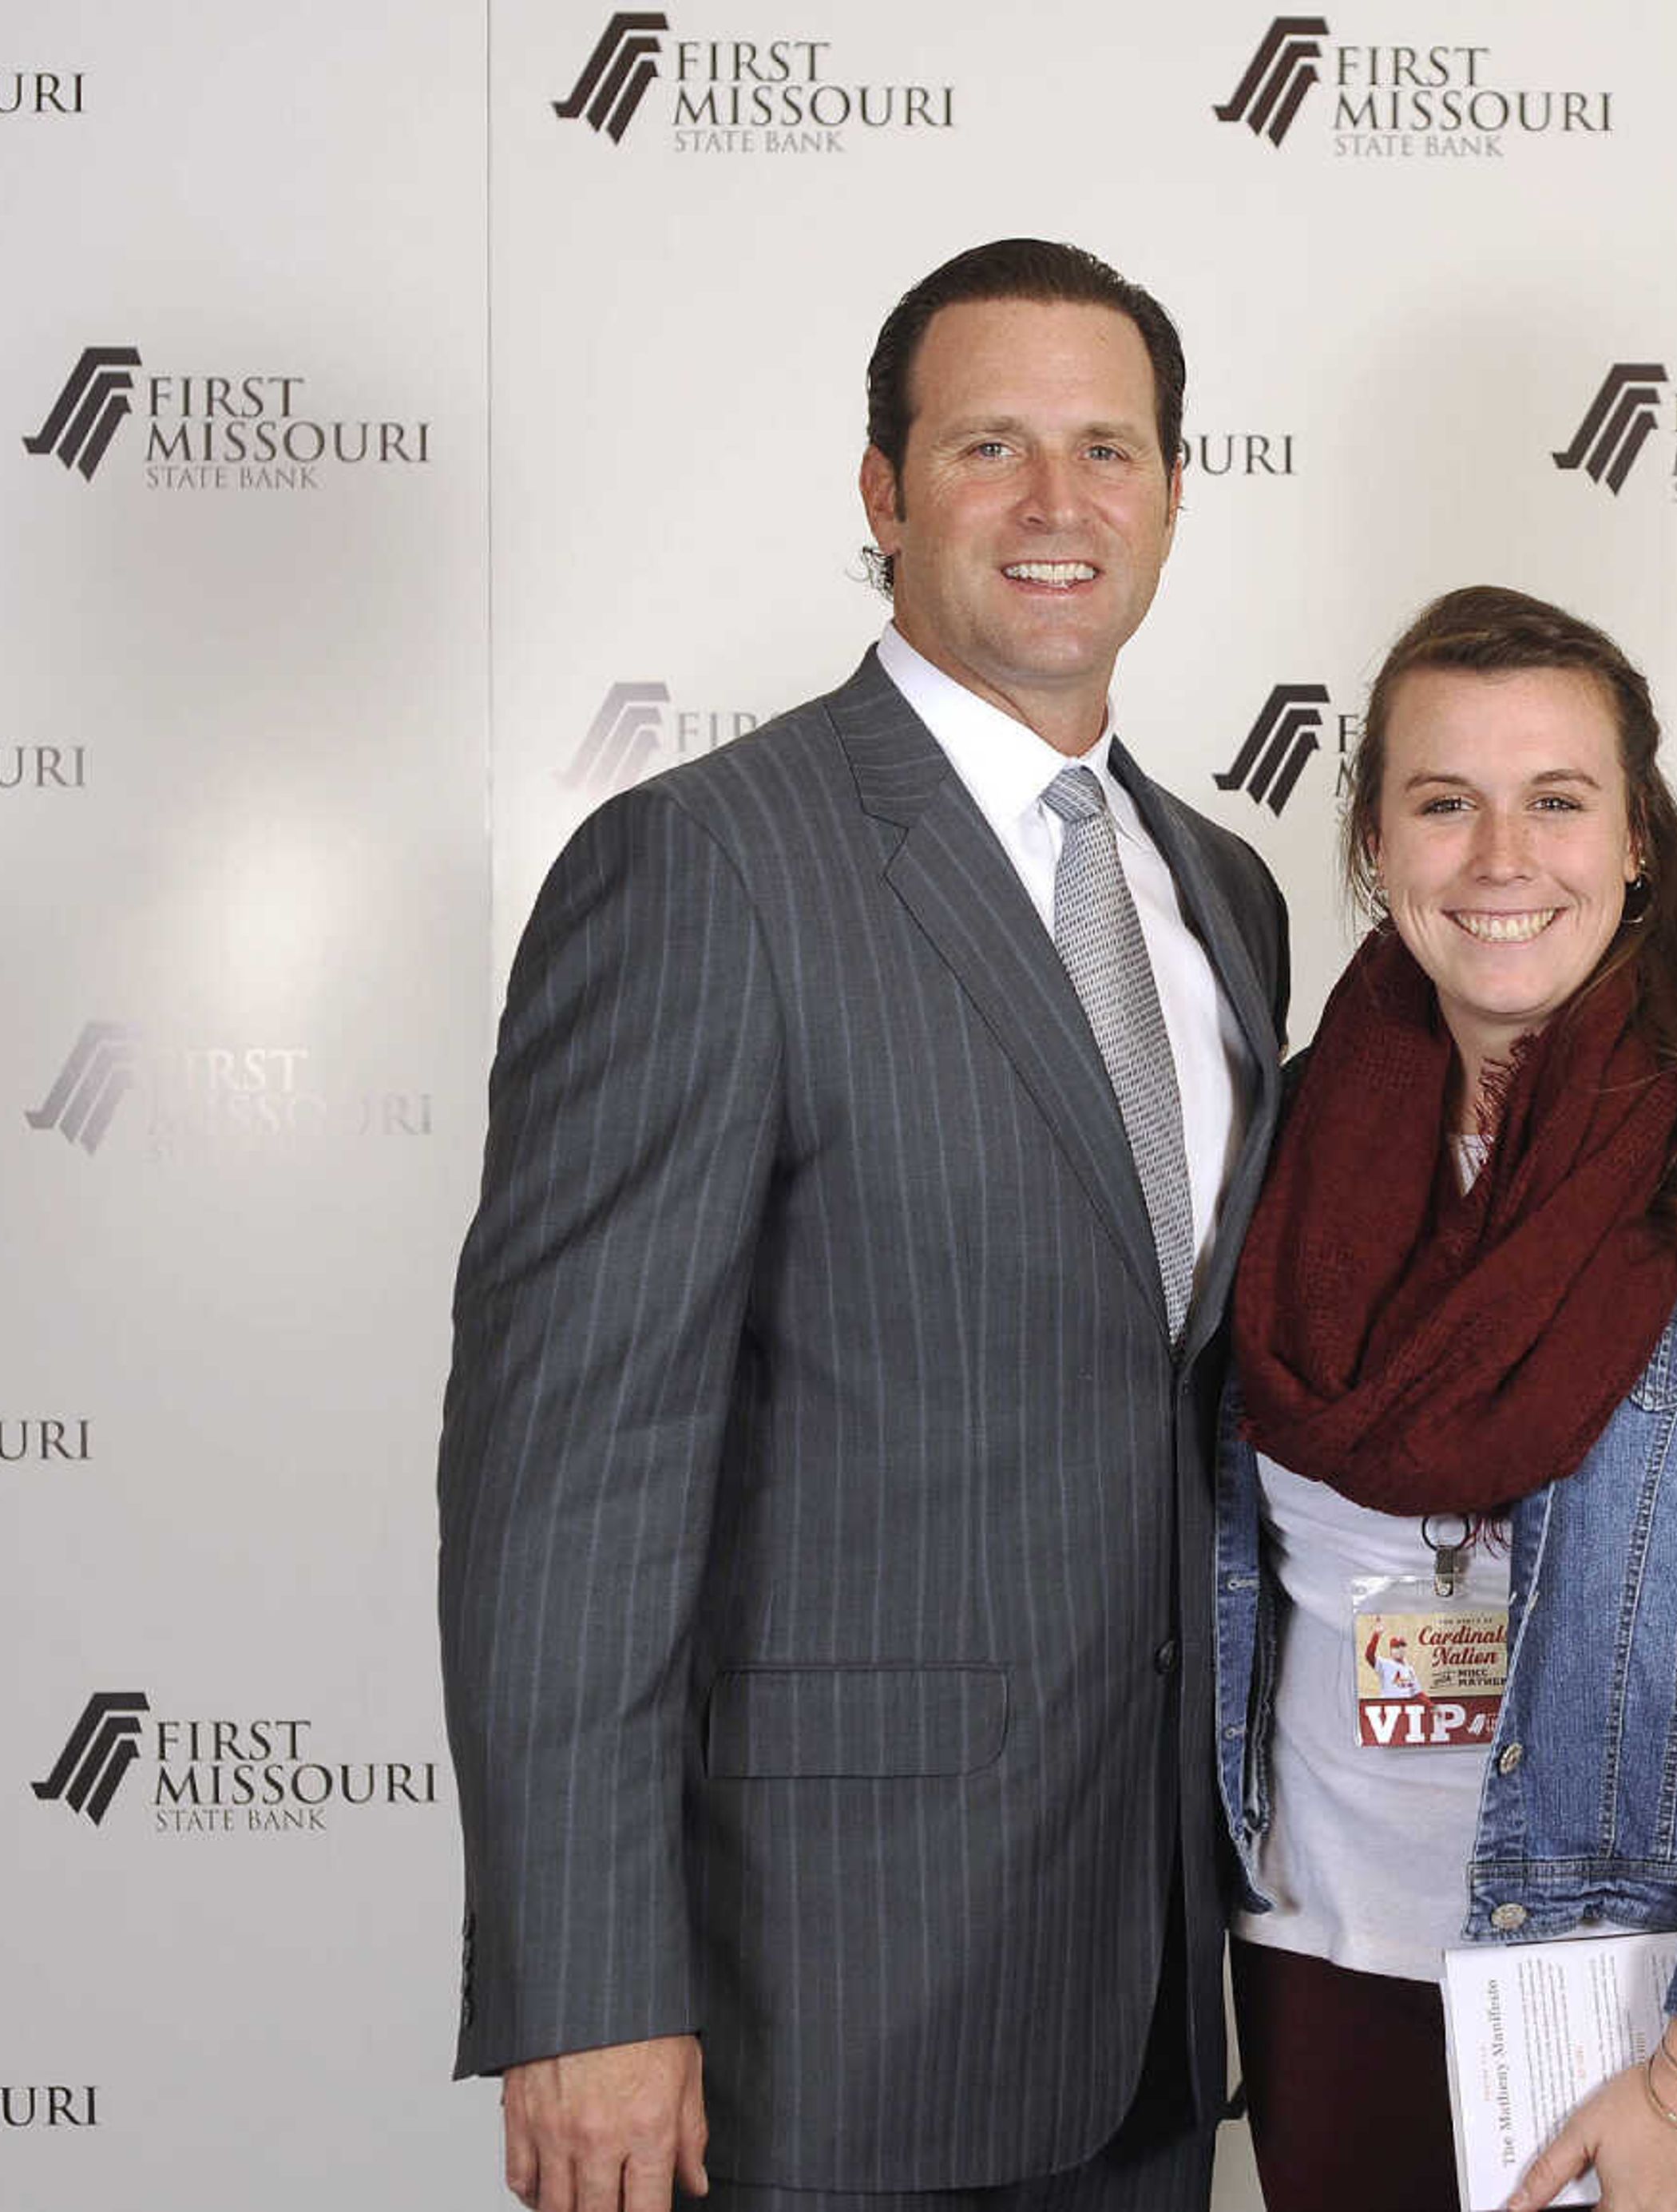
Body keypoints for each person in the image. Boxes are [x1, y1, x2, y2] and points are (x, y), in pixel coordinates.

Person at [438, 239, 1288, 2212]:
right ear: (885, 493)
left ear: (1171, 492)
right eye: (989, 444)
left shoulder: (1224, 893)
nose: (1057, 504)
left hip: (1151, 2000)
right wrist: (585, 1992)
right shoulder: (705, 868)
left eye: (1109, 448)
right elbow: (567, 1479)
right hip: (815, 2010)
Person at [1213, 585, 1677, 2212]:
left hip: (1641, 2010)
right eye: (1443, 800)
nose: (1499, 856)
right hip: (1323, 1970)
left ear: (1636, 844)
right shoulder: (1261, 1149)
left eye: (1557, 798)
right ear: (1374, 846)